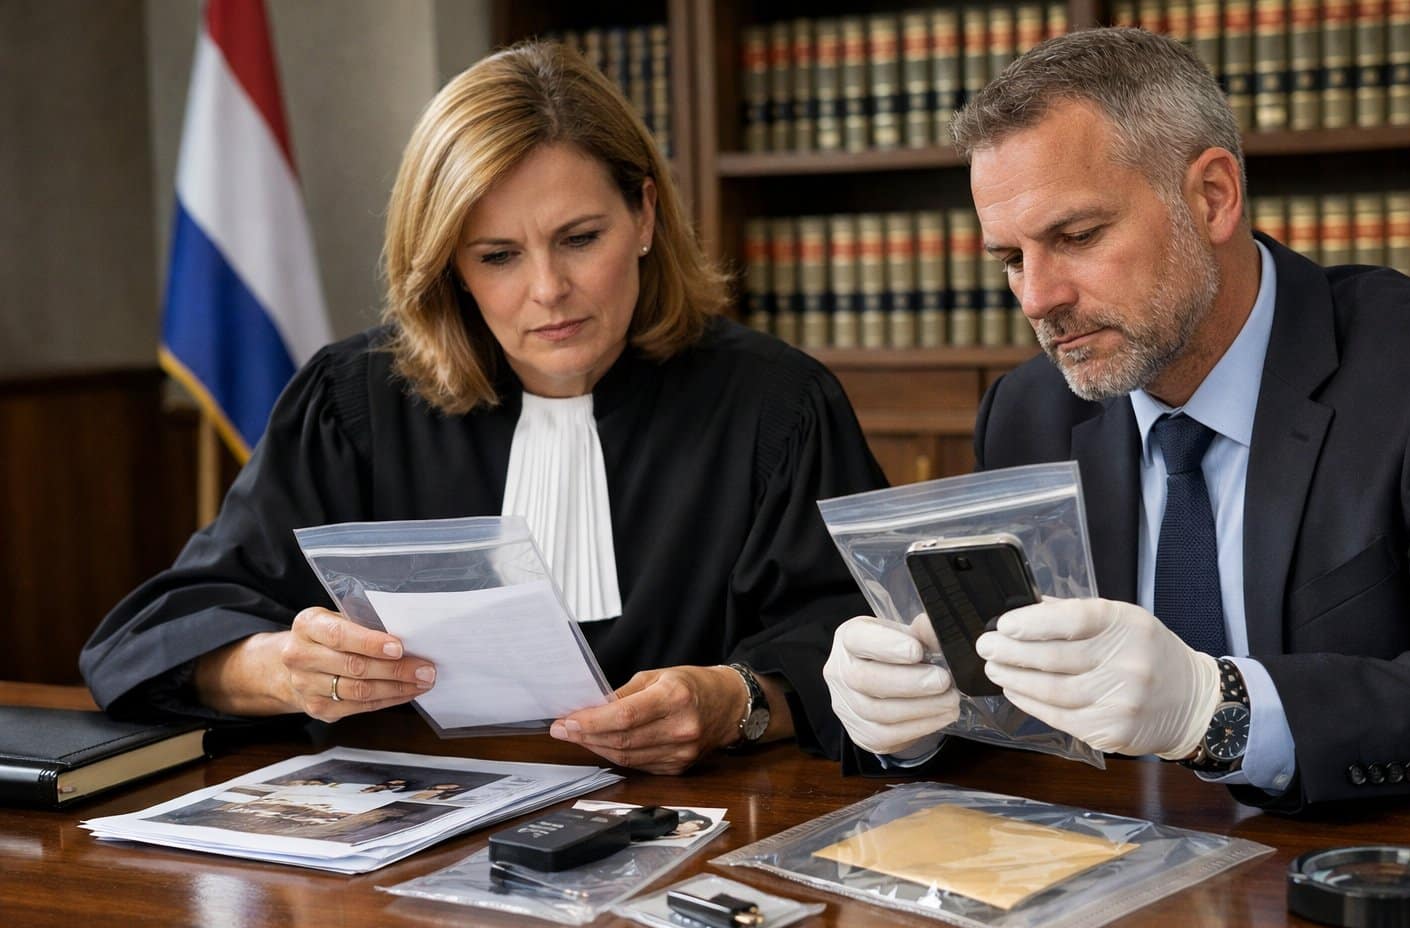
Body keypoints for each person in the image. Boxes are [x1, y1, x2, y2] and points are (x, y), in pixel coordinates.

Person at [82, 42, 887, 774]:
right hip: (410, 854)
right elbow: (154, 633)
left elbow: (867, 644)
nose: (548, 290)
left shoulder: (776, 405)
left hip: (697, 838)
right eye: (498, 256)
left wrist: (736, 702)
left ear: (643, 216)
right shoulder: (351, 401)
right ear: (449, 269)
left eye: (579, 238)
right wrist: (281, 669)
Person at [824, 28, 1410, 810]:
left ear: (1212, 197)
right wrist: (914, 719)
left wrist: (1218, 707)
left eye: (1077, 236)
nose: (1037, 298)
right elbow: (1021, 709)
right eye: (1011, 258)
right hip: (1110, 886)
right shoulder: (1026, 410)